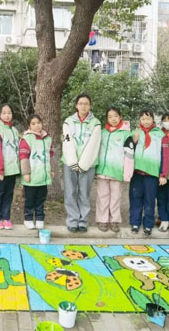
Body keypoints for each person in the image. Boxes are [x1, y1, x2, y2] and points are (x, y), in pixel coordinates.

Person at [62, 93, 101, 233]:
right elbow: (67, 141)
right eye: (81, 103)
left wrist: (83, 164)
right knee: (70, 192)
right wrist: (73, 162)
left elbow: (94, 144)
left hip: (88, 164)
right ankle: (72, 220)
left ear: (90, 106)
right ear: (76, 105)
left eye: (86, 103)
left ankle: (83, 221)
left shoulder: (95, 123)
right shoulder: (68, 122)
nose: (83, 106)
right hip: (69, 162)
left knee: (84, 193)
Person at [95, 107, 133, 233]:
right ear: (107, 118)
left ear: (120, 117)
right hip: (102, 170)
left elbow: (129, 155)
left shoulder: (126, 134)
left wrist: (127, 173)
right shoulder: (102, 132)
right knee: (102, 196)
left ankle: (114, 220)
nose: (113, 119)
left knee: (116, 197)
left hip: (117, 171)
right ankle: (102, 220)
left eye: (115, 116)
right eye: (110, 116)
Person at [129, 110, 164, 236]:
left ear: (153, 120)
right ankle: (135, 222)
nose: (146, 121)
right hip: (137, 172)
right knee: (135, 198)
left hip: (152, 173)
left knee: (150, 200)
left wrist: (163, 173)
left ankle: (148, 224)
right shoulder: (135, 132)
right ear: (140, 120)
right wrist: (134, 141)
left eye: (148, 119)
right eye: (143, 119)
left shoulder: (160, 134)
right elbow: (127, 150)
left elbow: (164, 154)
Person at [20, 114, 54, 229]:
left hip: (43, 176)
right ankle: (28, 218)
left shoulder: (47, 139)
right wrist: (26, 173)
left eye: (38, 123)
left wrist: (52, 170)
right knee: (30, 199)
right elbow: (23, 157)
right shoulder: (27, 139)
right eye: (33, 124)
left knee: (41, 199)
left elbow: (51, 155)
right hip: (31, 176)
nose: (37, 125)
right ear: (29, 126)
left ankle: (40, 218)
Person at [0, 104, 20, 230]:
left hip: (12, 170)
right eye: (4, 113)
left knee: (8, 194)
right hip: (0, 171)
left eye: (9, 113)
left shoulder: (14, 130)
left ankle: (6, 217)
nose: (7, 115)